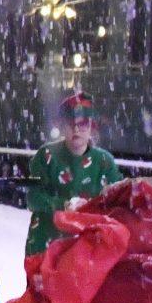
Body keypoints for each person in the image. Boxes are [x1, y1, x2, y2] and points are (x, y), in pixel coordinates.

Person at [24, 92, 122, 256]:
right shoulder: (46, 156)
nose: (76, 129)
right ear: (62, 126)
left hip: (90, 251)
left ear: (91, 127)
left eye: (82, 123)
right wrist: (63, 206)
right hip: (47, 247)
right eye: (70, 123)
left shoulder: (105, 162)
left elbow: (117, 203)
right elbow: (33, 198)